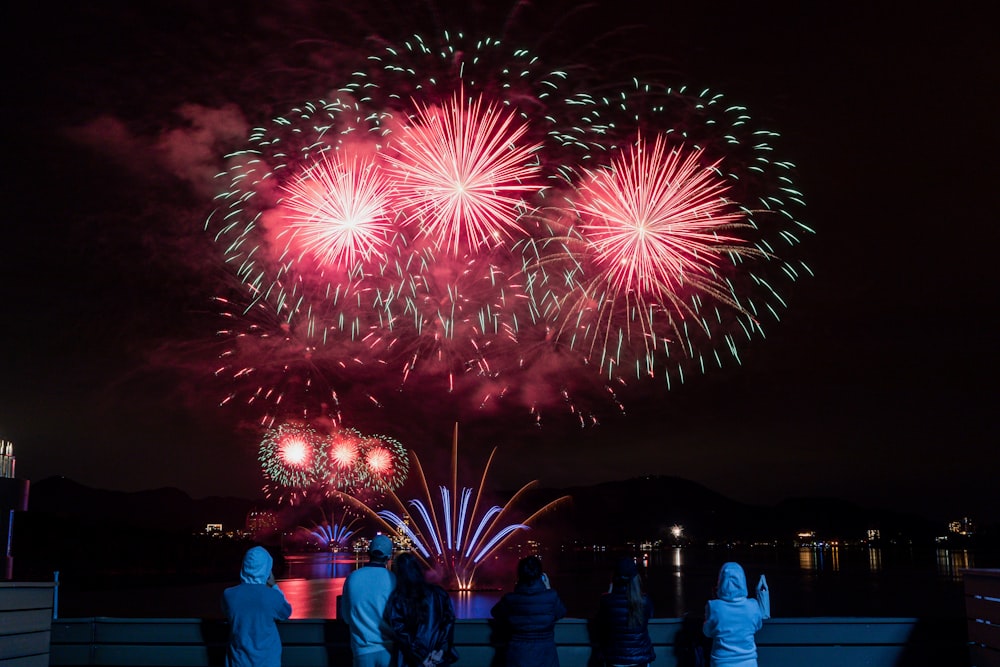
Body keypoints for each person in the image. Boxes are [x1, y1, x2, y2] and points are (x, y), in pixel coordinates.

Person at [221, 545, 293, 667]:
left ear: (244, 567)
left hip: (238, 660)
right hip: (268, 661)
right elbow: (286, 612)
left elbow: (227, 614)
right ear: (267, 569)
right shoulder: (272, 596)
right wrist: (274, 585)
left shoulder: (228, 595)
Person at [384, 552, 459, 667]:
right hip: (437, 658)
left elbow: (401, 633)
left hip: (411, 661)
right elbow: (448, 623)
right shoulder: (439, 594)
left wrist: (421, 658)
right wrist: (439, 651)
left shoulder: (398, 598)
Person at [490, 555, 567, 667]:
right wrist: (548, 588)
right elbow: (561, 612)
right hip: (546, 656)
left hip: (517, 656)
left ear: (519, 575)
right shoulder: (551, 596)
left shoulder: (510, 599)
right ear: (541, 576)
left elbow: (495, 613)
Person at [342, 534, 397, 667]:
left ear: (368, 552)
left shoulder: (352, 578)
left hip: (361, 649)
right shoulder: (394, 579)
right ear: (389, 557)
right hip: (389, 649)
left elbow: (345, 616)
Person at [702, 562, 770, 667]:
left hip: (722, 662)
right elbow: (757, 626)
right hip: (749, 662)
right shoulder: (753, 605)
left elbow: (707, 632)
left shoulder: (713, 606)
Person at [595, 557, 655, 667]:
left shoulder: (606, 601)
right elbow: (649, 616)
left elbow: (601, 622)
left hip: (614, 659)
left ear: (614, 578)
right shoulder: (645, 601)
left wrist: (609, 592)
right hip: (639, 659)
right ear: (636, 578)